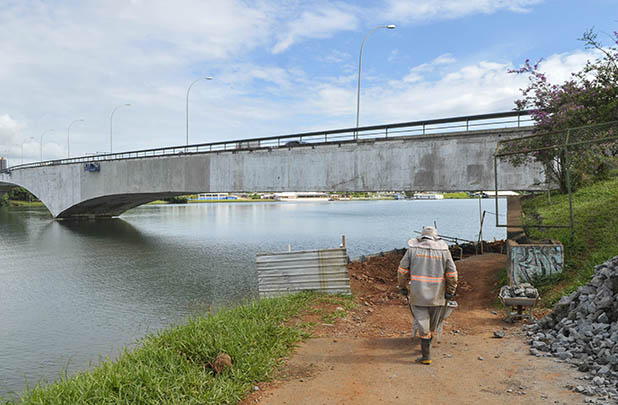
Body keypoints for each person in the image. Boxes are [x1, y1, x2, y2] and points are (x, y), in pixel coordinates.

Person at [397, 226, 457, 365]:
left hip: (418, 295)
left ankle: (426, 355)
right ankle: (426, 351)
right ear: (436, 238)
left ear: (421, 237)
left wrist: (402, 287)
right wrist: (451, 290)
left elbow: (402, 271)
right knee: (432, 326)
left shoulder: (412, 250)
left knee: (423, 324)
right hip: (438, 295)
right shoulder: (444, 251)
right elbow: (452, 274)